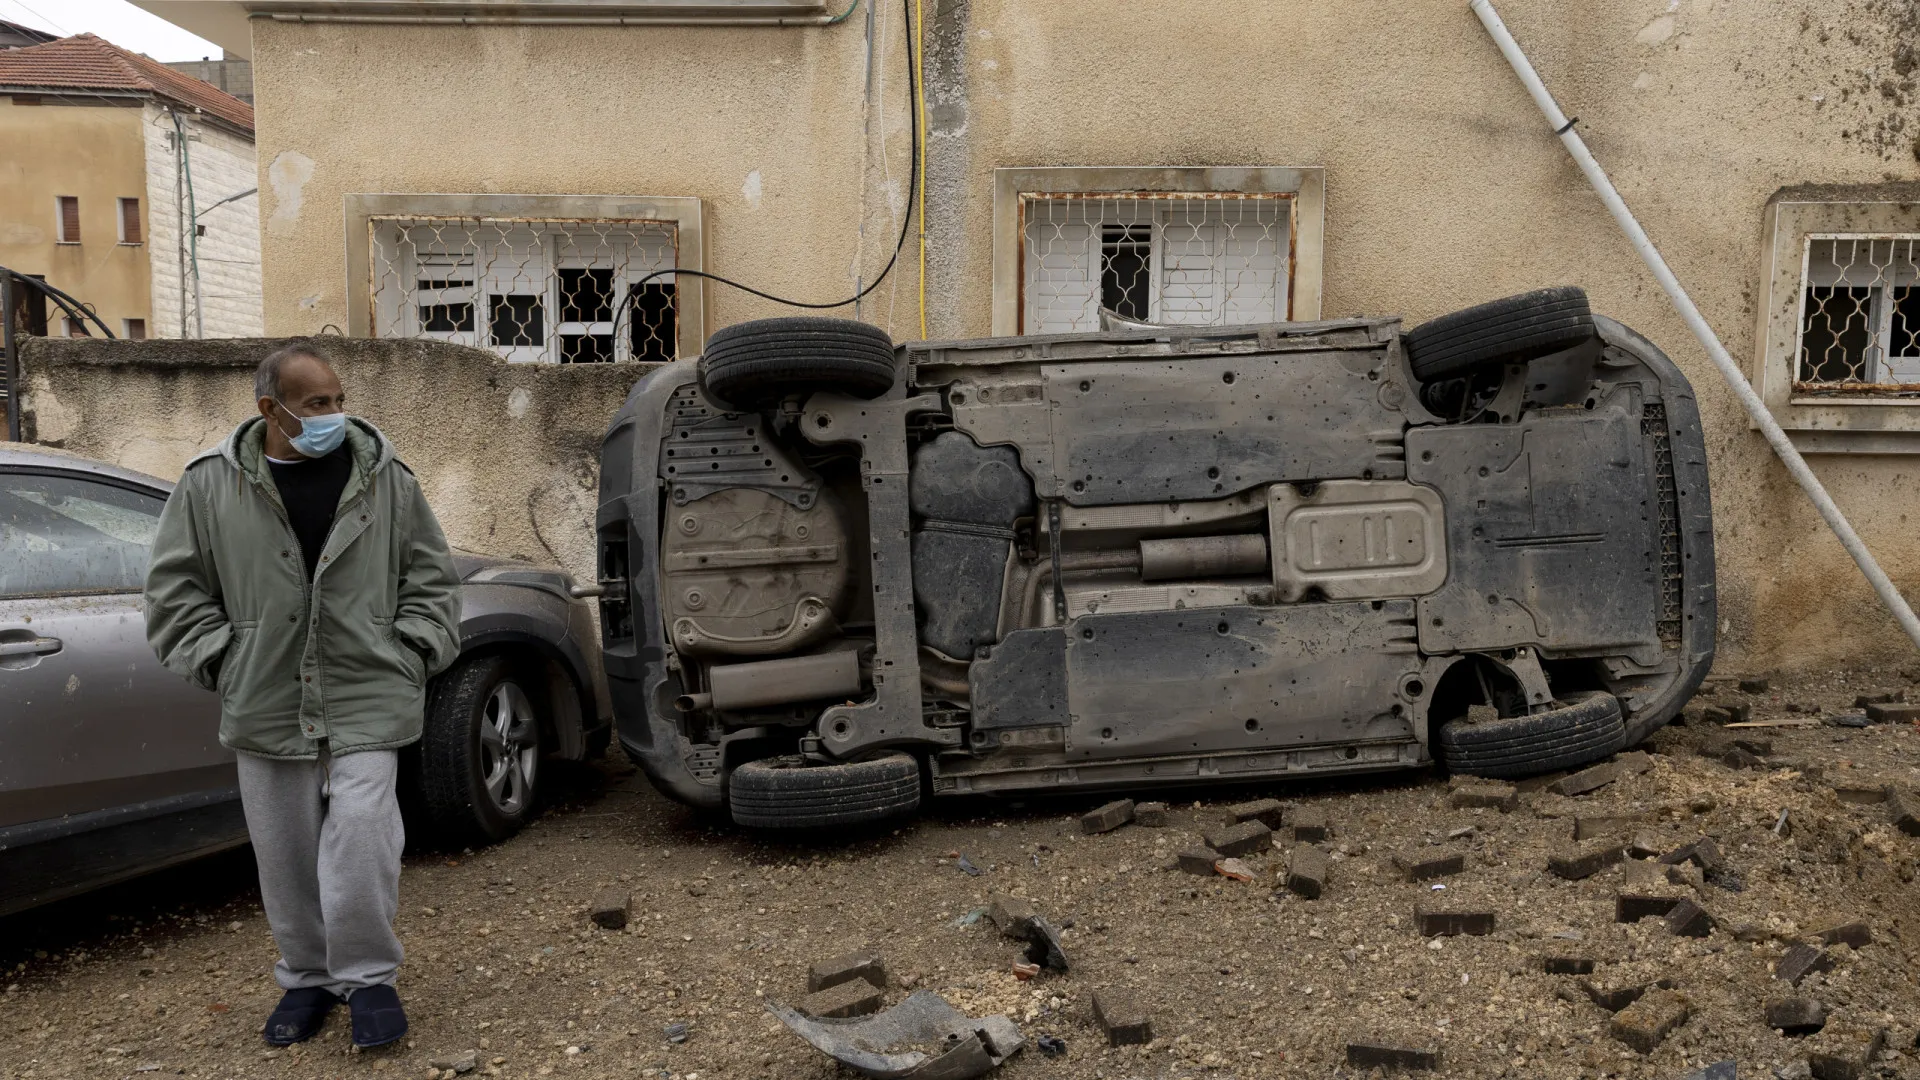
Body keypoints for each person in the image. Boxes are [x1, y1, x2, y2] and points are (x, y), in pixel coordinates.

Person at [144, 345, 461, 1048]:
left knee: (362, 840)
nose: (335, 415)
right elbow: (174, 595)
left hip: (369, 692)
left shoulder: (384, 478)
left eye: (337, 398)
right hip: (264, 698)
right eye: (317, 404)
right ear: (271, 410)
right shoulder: (207, 486)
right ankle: (309, 980)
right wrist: (225, 662)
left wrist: (410, 650)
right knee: (284, 853)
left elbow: (431, 578)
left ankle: (371, 979)